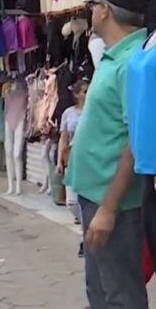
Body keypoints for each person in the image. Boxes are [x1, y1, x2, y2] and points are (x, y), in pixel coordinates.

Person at [64, 0, 150, 309]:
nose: (88, 12)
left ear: (106, 11)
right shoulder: (115, 57)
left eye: (93, 4)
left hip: (113, 201)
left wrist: (111, 209)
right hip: (92, 194)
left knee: (121, 291)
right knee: (99, 287)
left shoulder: (133, 61)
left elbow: (136, 144)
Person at [58, 79, 89, 228]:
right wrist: (59, 160)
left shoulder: (94, 111)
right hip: (71, 157)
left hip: (88, 158)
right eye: (84, 91)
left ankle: (85, 235)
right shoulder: (68, 113)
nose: (87, 94)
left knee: (85, 197)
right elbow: (63, 138)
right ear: (77, 94)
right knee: (71, 201)